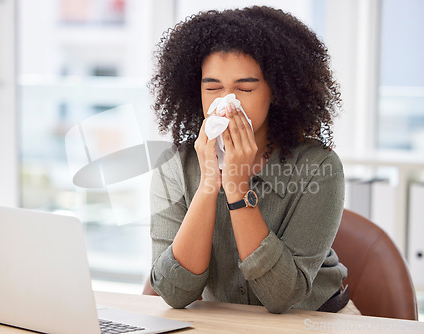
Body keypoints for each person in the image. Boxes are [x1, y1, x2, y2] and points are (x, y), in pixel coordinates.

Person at [147, 5, 360, 315]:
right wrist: (209, 184)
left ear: (276, 91)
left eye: (245, 88)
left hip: (317, 319)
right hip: (229, 322)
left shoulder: (320, 167)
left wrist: (236, 188)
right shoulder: (173, 167)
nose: (226, 102)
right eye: (213, 87)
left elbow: (282, 295)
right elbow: (173, 292)